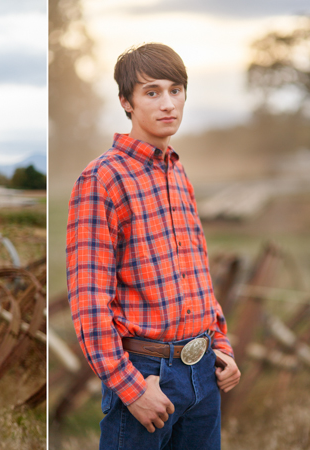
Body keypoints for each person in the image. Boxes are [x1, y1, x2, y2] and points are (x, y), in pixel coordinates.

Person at [66, 43, 242, 450]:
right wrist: (129, 388)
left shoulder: (178, 173)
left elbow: (198, 275)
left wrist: (222, 348)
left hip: (203, 373)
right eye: (152, 92)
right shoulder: (102, 178)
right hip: (147, 375)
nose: (168, 103)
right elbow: (90, 302)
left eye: (176, 90)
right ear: (126, 101)